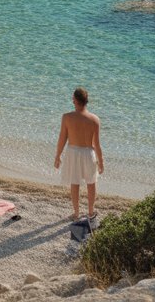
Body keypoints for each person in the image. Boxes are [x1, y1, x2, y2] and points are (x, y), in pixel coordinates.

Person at [54, 87, 105, 222]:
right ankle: (90, 212)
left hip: (73, 153)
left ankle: (76, 213)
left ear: (75, 100)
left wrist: (58, 156)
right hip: (88, 153)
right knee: (91, 183)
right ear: (86, 101)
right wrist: (101, 161)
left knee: (74, 183)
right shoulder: (94, 119)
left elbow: (62, 138)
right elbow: (97, 144)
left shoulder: (67, 117)